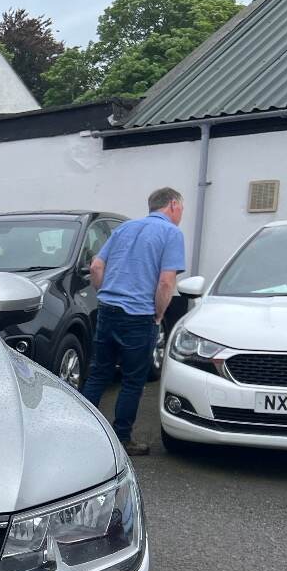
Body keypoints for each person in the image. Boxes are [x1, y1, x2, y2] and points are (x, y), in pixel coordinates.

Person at [81, 186, 187, 456]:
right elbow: (166, 282)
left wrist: (106, 293)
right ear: (173, 205)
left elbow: (96, 267)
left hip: (107, 310)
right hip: (139, 316)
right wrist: (159, 314)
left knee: (98, 374)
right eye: (181, 209)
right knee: (132, 380)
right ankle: (121, 438)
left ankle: (80, 430)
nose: (181, 215)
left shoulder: (124, 229)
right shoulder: (171, 233)